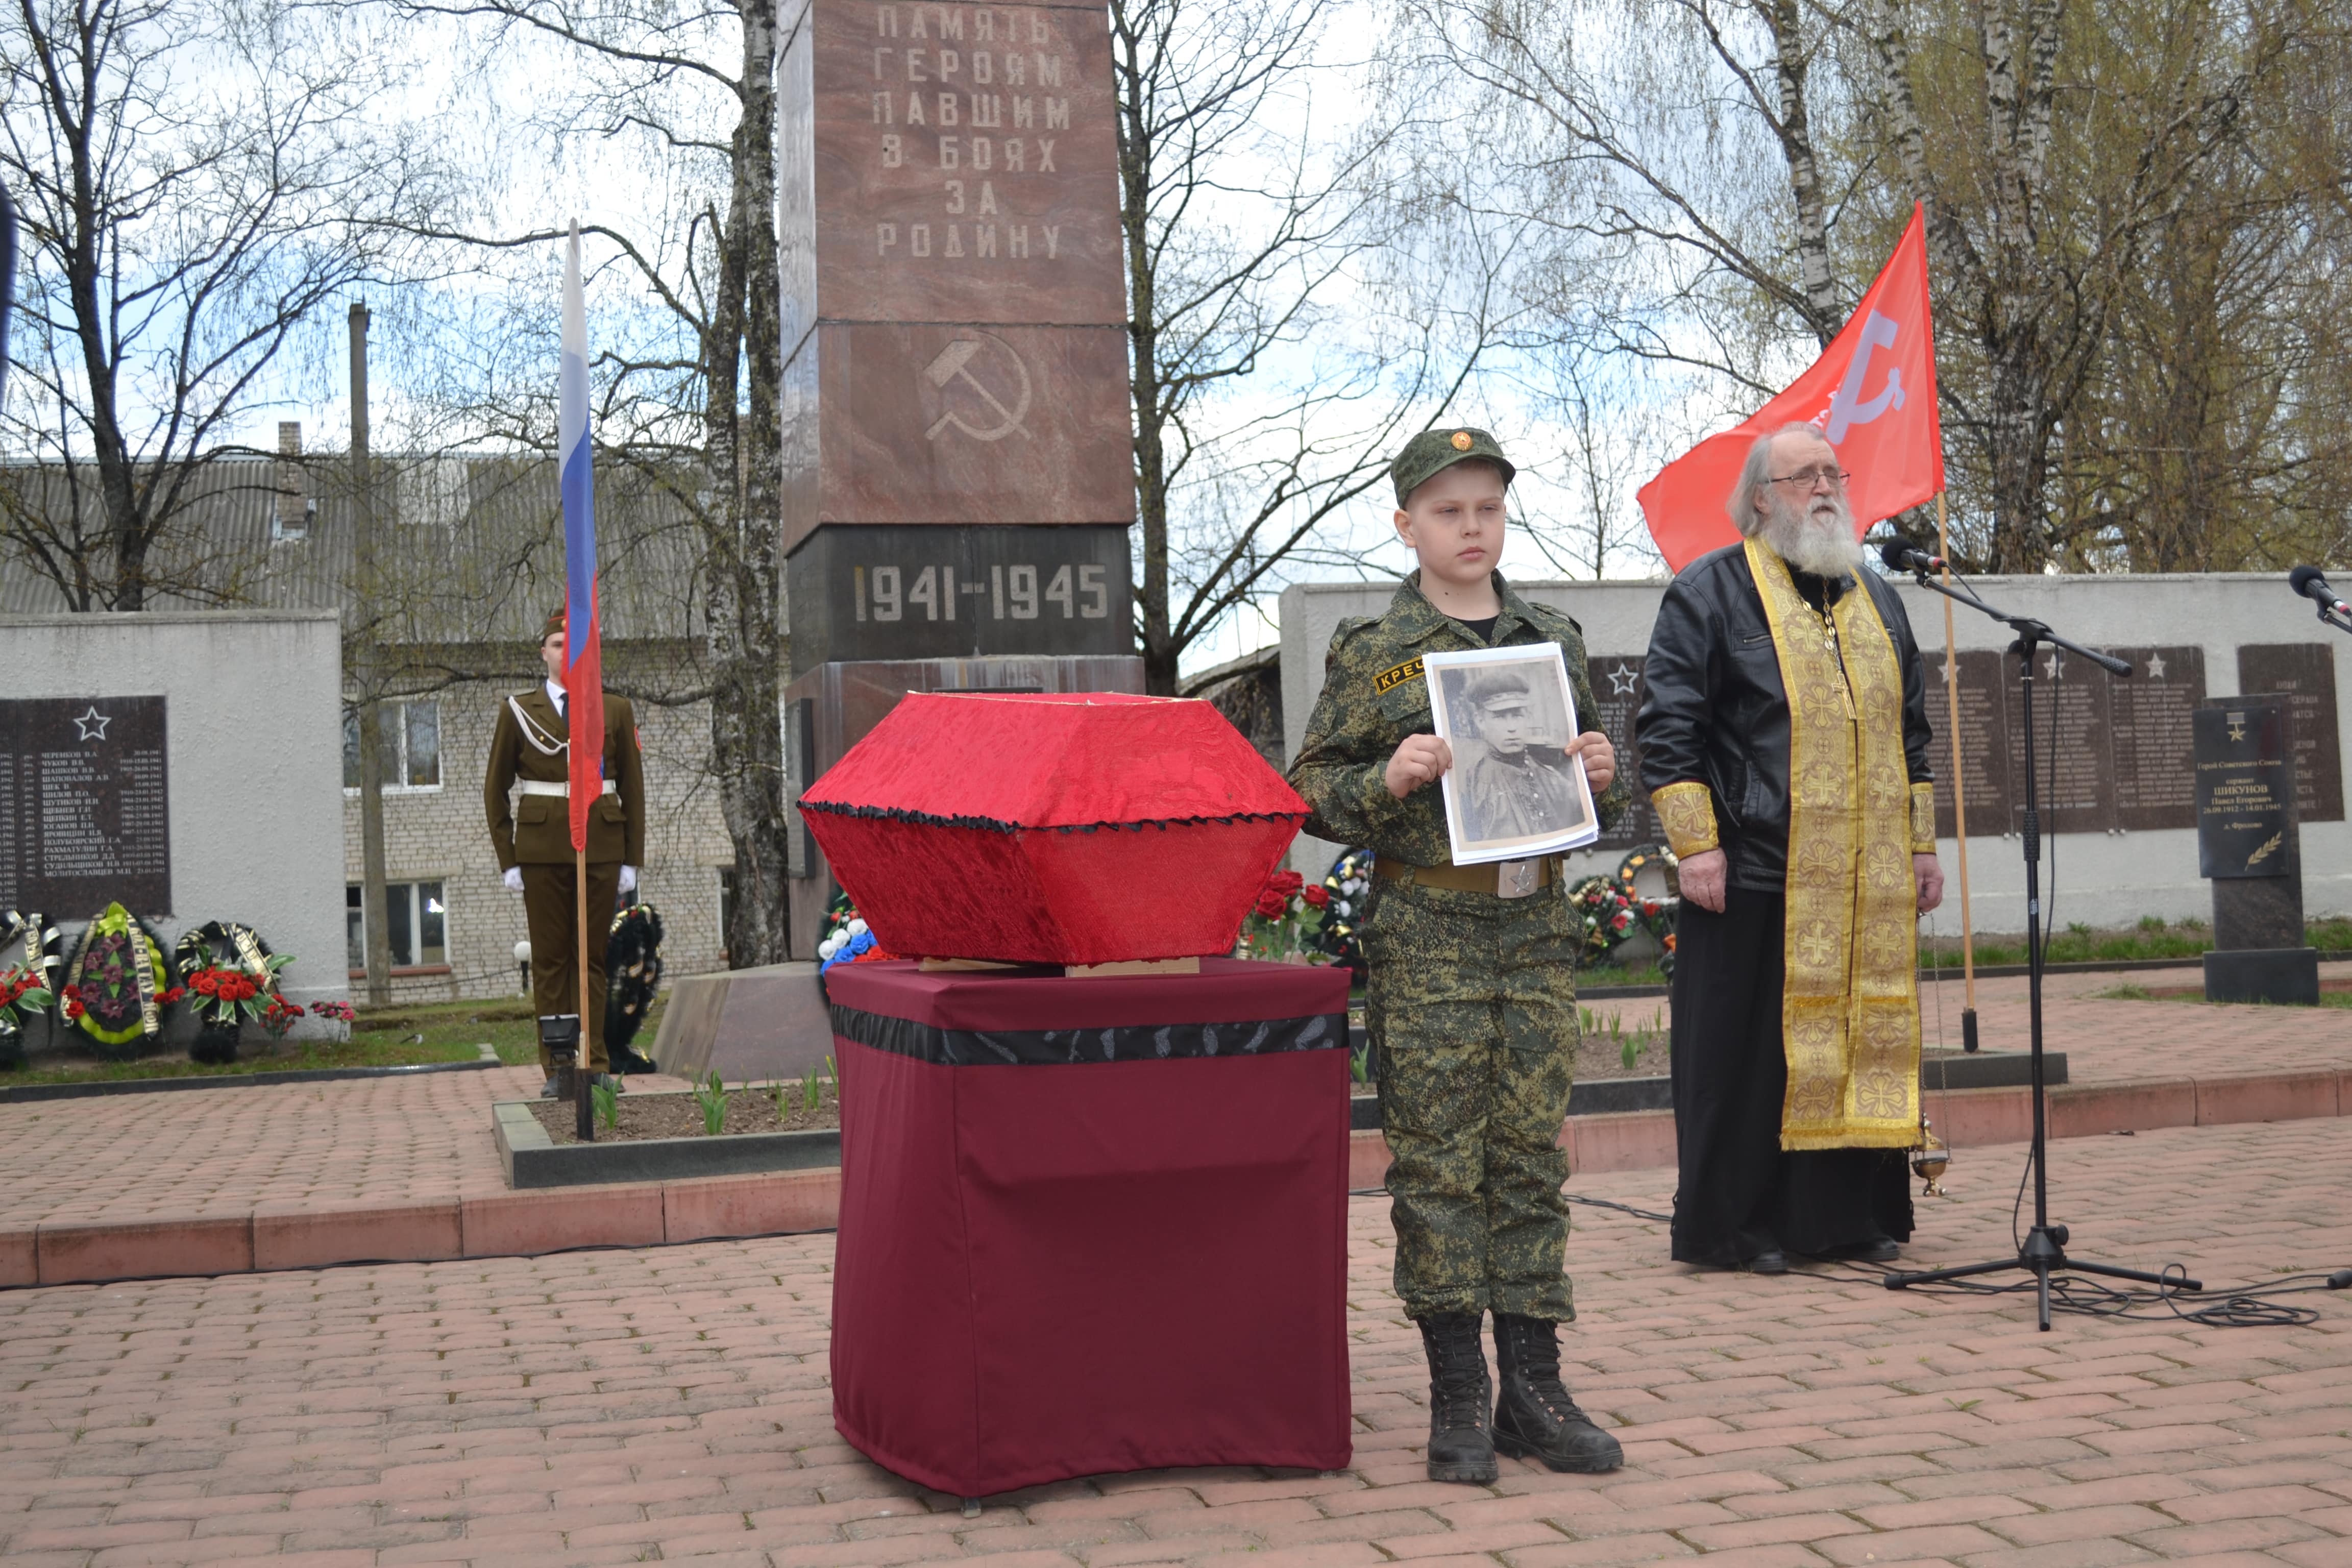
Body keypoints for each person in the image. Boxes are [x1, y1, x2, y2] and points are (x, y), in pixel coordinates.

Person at [1289, 426, 1629, 1485]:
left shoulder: (1553, 638)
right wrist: (1385, 778)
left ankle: (1534, 1385)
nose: (1470, 527)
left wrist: (1603, 769)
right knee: (1439, 1163)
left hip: (1531, 926)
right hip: (1429, 927)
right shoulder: (1373, 651)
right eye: (1447, 511)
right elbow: (1308, 790)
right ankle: (1458, 1394)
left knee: (1528, 1158)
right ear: (1407, 525)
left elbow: (1576, 778)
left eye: (1486, 507)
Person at [1635, 422, 1943, 1275]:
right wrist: (1695, 845)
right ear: (1760, 498)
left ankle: (1847, 1219)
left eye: (1830, 472)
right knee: (1749, 1060)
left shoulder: (1875, 596)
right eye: (1802, 475)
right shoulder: (1710, 592)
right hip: (1752, 865)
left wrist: (1919, 846)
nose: (1823, 487)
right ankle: (1736, 1226)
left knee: (1852, 1042)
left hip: (1864, 876)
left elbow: (1908, 734)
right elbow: (1668, 730)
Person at [485, 608, 646, 1096]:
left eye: (574, 645)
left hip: (599, 845)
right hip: (540, 852)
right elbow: (495, 789)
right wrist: (508, 860)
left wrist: (631, 859)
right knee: (552, 962)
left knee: (592, 959)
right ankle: (558, 1066)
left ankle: (593, 1065)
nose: (565, 653)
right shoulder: (518, 709)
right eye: (558, 644)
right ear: (544, 652)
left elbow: (634, 789)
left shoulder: (613, 709)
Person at [1455, 670, 1586, 843]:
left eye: (1517, 715)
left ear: (1528, 717)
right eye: (1500, 717)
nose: (1512, 728)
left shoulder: (1552, 778)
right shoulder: (1472, 784)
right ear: (1480, 720)